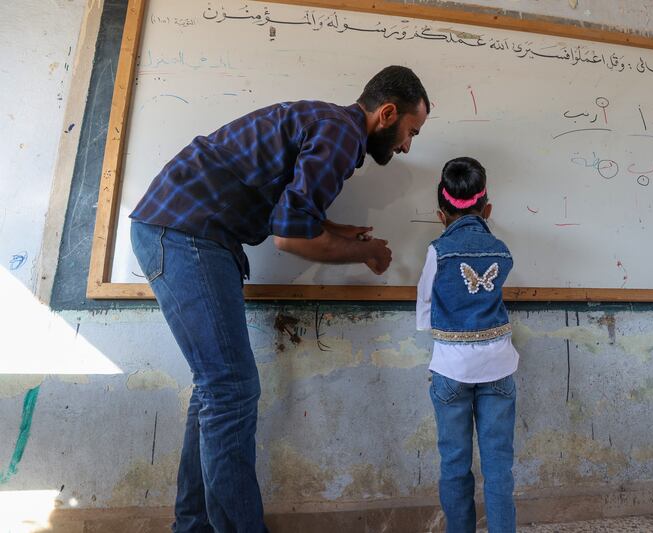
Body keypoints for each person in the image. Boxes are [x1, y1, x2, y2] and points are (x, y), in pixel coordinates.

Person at [129, 65, 429, 532]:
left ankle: (193, 526)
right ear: (387, 114)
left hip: (186, 229)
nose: (408, 145)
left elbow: (288, 210)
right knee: (230, 390)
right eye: (411, 131)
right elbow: (289, 238)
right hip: (187, 232)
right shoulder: (342, 136)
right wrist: (364, 252)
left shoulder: (330, 126)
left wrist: (334, 229)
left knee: (217, 391)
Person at [416, 157, 519, 533]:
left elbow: (426, 304)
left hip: (451, 371)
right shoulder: (502, 251)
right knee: (498, 467)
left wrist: (444, 338)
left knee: (455, 464)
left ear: (440, 214)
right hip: (499, 369)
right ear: (487, 209)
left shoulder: (437, 251)